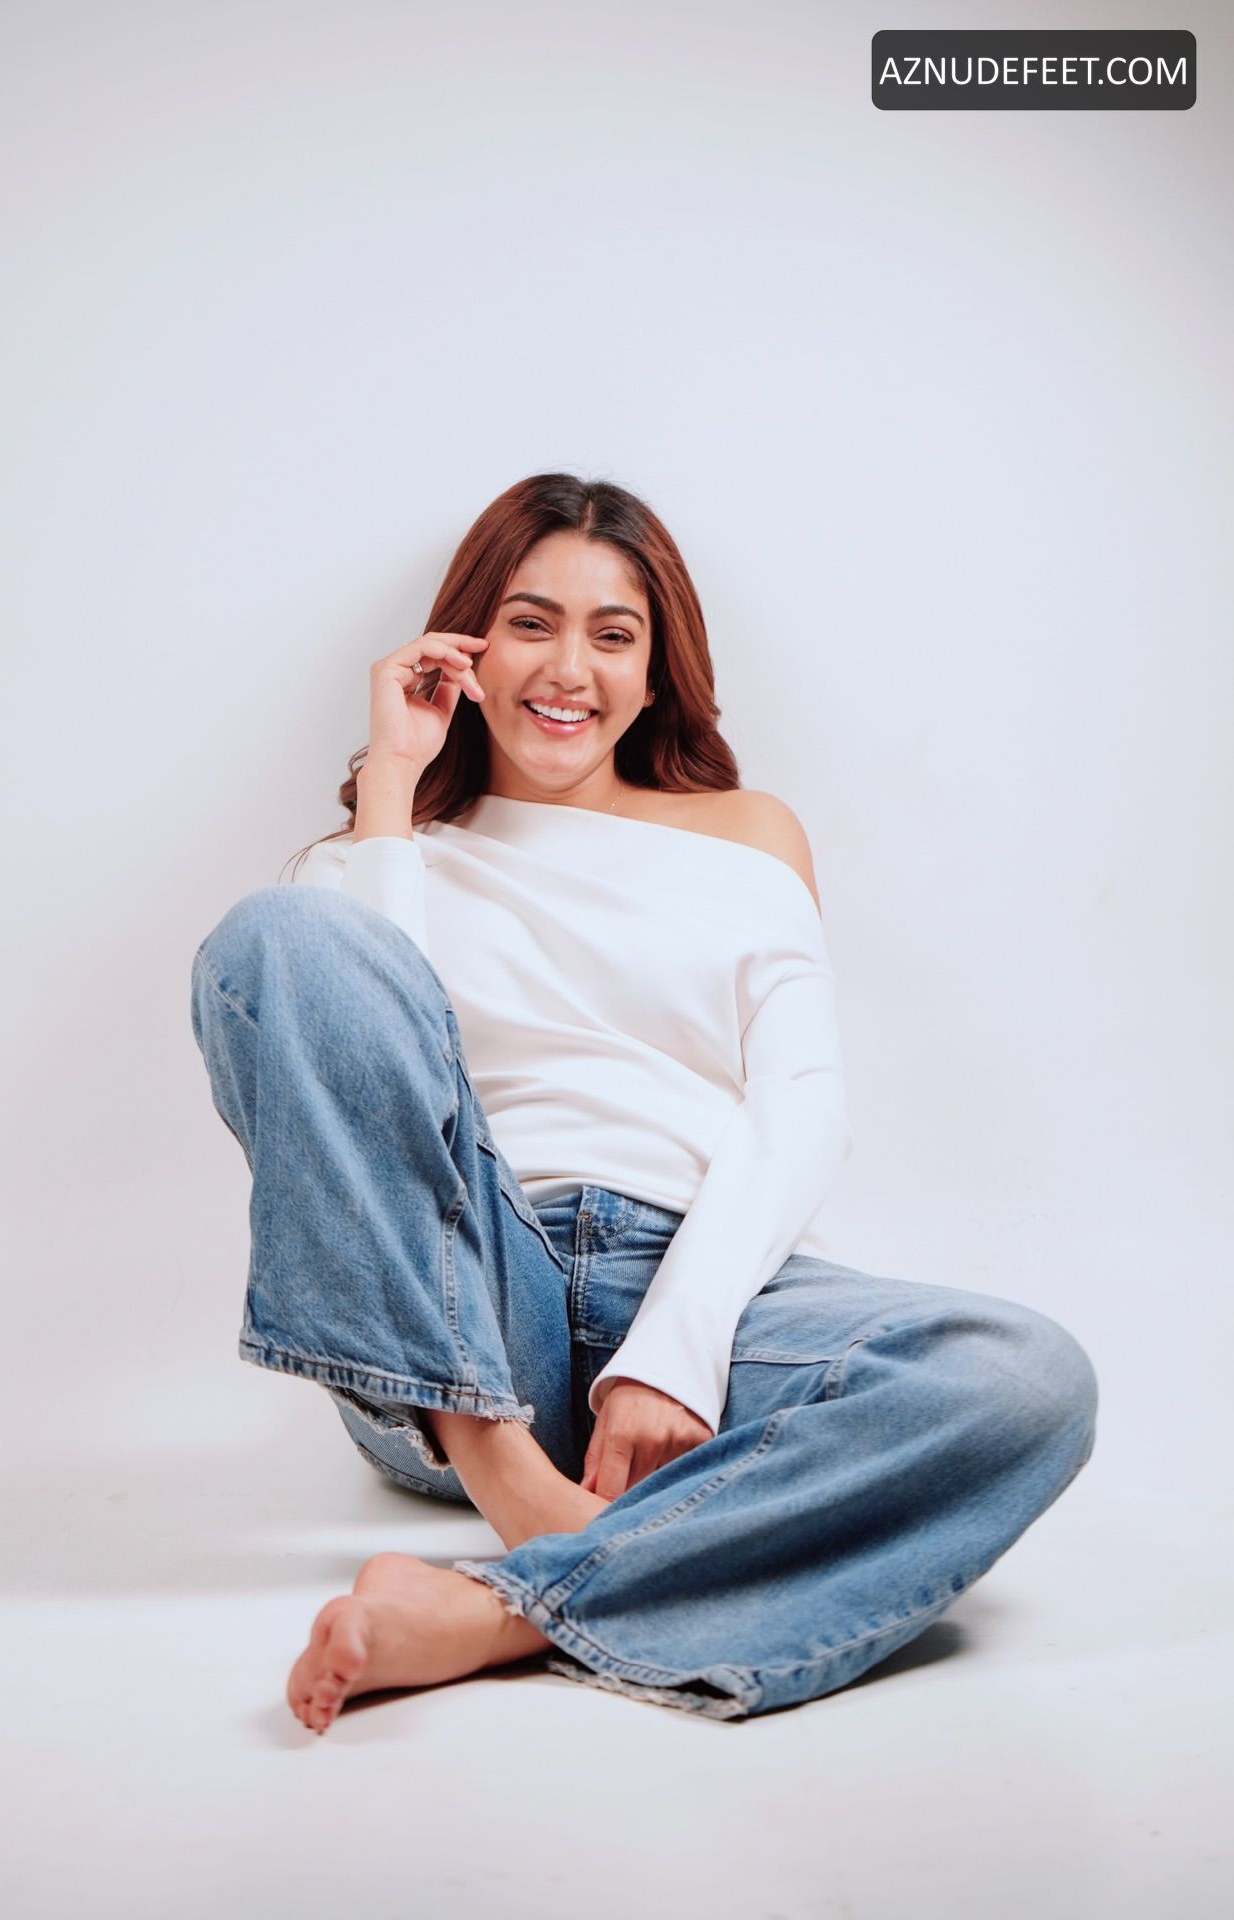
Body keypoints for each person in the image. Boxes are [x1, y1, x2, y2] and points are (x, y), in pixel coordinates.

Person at [189, 472, 1098, 1734]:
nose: (569, 669)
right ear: (468, 643)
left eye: (612, 634)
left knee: (1023, 1381)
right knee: (279, 938)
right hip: (464, 1309)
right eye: (530, 623)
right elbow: (387, 1080)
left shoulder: (746, 833)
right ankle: (519, 1493)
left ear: (657, 670)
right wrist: (395, 783)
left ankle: (507, 1607)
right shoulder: (378, 866)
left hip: (704, 1285)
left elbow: (800, 1105)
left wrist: (675, 1349)